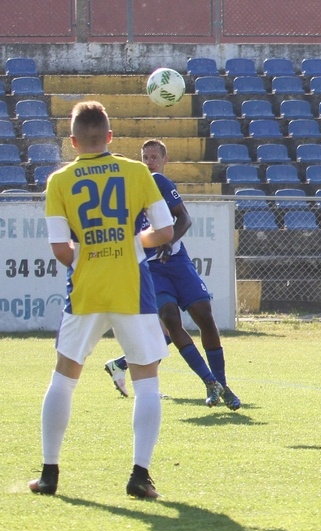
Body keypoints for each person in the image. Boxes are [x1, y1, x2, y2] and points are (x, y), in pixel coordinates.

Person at [29, 101, 174, 498]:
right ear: (110, 137)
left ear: (73, 141)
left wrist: (91, 255)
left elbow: (61, 249)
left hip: (87, 288)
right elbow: (164, 231)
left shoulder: (59, 181)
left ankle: (49, 475)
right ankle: (140, 477)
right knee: (147, 381)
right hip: (133, 287)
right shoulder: (137, 171)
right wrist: (129, 244)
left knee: (64, 377)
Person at [103, 139, 241, 410]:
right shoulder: (116, 201)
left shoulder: (157, 182)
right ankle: (210, 383)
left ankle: (222, 384)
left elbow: (184, 218)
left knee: (204, 316)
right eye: (145, 157)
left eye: (154, 156)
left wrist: (167, 241)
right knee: (168, 319)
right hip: (151, 268)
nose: (148, 161)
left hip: (176, 260)